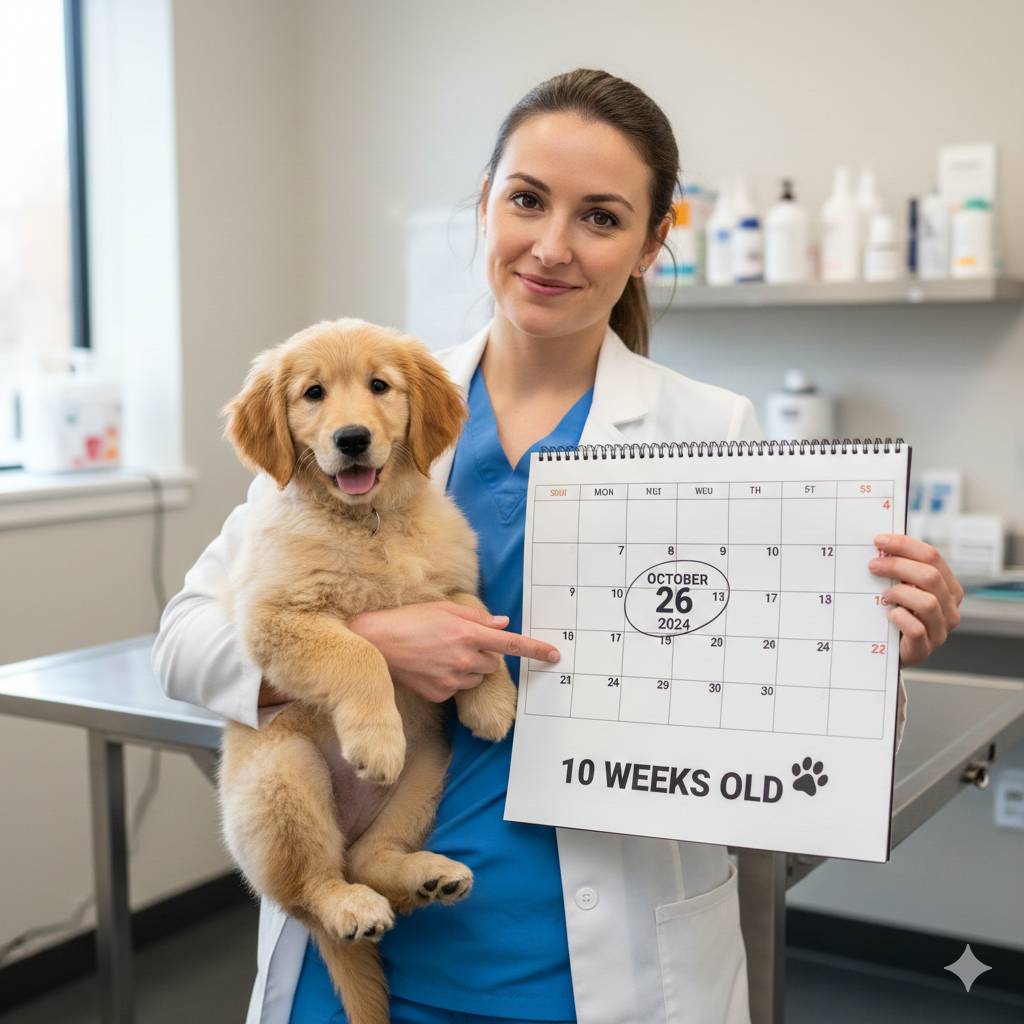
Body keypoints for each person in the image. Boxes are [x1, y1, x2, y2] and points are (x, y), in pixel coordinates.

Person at [153, 68, 963, 1024]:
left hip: (580, 968)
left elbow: (775, 721)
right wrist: (367, 655)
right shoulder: (360, 406)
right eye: (527, 201)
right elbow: (182, 642)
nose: (552, 246)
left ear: (653, 243)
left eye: (602, 217)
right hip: (364, 951)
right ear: (487, 205)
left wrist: (873, 650)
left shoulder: (711, 429)